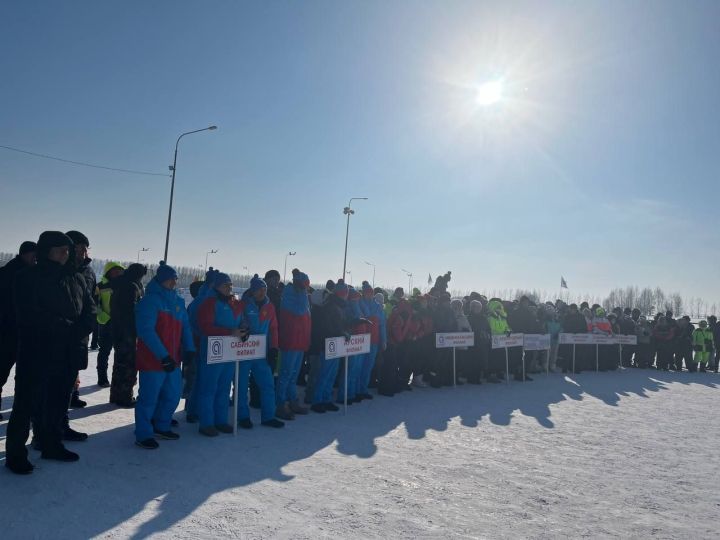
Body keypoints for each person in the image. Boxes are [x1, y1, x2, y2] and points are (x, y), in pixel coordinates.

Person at [6, 232, 96, 474]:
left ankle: (51, 443)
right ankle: (16, 453)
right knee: (27, 403)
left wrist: (81, 328)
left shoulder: (75, 278)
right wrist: (65, 327)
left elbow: (90, 308)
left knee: (58, 401)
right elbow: (28, 314)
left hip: (67, 351)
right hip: (37, 350)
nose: (66, 254)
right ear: (46, 251)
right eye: (60, 250)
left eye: (67, 251)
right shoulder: (27, 278)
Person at [134, 262, 195, 449]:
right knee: (149, 397)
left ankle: (161, 424)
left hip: (173, 360)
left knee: (173, 394)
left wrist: (190, 349)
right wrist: (163, 356)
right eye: (170, 279)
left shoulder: (177, 302)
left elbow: (185, 327)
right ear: (161, 280)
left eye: (175, 279)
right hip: (153, 360)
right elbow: (146, 331)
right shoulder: (150, 301)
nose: (173, 283)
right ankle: (143, 433)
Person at [195, 271, 248, 436]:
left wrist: (245, 329)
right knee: (209, 388)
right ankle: (206, 423)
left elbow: (242, 319)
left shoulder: (234, 302)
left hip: (230, 352)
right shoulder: (209, 303)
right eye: (226, 285)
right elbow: (206, 326)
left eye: (230, 285)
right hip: (213, 351)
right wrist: (230, 331)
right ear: (216, 286)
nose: (229, 288)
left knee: (224, 388)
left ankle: (221, 420)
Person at [237, 274, 284, 428]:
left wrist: (273, 348)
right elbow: (238, 321)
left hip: (261, 353)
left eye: (264, 289)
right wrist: (242, 330)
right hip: (244, 352)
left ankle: (268, 416)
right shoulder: (243, 305)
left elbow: (274, 329)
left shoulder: (269, 307)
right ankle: (243, 416)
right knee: (241, 385)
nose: (263, 292)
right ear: (253, 291)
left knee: (268, 384)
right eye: (259, 290)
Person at [0, 241, 36, 419]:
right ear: (24, 254)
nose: (35, 258)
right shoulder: (13, 273)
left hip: (16, 330)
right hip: (9, 330)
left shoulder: (19, 271)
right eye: (32, 254)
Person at [275, 269, 312, 420]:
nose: (307, 288)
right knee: (285, 374)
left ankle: (292, 401)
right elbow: (300, 311)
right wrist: (303, 292)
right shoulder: (290, 296)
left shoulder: (301, 296)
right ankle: (280, 405)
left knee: (293, 375)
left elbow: (307, 322)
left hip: (299, 342)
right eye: (306, 285)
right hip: (290, 342)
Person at [65, 230, 96, 409]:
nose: (83, 252)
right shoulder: (61, 270)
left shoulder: (89, 272)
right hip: (61, 330)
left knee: (75, 365)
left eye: (85, 248)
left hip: (81, 329)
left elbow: (91, 297)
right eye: (79, 248)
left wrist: (89, 322)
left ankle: (73, 394)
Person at [109, 263, 147, 407]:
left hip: (118, 329)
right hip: (128, 332)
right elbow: (131, 311)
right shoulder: (131, 286)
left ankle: (116, 395)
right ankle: (125, 396)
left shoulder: (120, 284)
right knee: (129, 365)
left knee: (119, 363)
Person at [311, 279, 351, 411]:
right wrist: (341, 332)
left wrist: (348, 327)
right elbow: (328, 327)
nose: (347, 295)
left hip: (336, 343)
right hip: (328, 344)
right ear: (341, 293)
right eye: (346, 292)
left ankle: (326, 398)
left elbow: (340, 324)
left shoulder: (339, 306)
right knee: (325, 373)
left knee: (332, 373)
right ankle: (317, 401)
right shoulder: (331, 306)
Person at [96, 261, 125, 387]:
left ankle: (118, 380)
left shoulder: (126, 285)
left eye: (120, 271)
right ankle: (102, 378)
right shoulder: (100, 286)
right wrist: (103, 317)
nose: (117, 273)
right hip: (107, 323)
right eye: (115, 271)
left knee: (121, 354)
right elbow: (95, 304)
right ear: (108, 272)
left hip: (122, 325)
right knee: (104, 351)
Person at [357, 284, 386, 397]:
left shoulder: (378, 306)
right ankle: (355, 390)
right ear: (363, 293)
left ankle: (363, 389)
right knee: (358, 367)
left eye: (370, 292)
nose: (369, 294)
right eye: (366, 292)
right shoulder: (358, 303)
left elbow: (382, 325)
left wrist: (383, 340)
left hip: (373, 341)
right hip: (361, 340)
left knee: (368, 366)